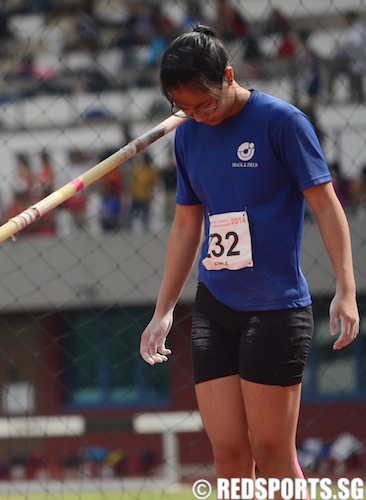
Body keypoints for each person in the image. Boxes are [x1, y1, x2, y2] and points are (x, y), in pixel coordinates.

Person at [139, 25, 360, 489]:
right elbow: (186, 226)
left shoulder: (281, 122)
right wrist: (163, 312)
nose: (199, 116)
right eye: (184, 109)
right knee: (231, 455)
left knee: (271, 453)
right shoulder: (188, 136)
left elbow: (326, 205)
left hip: (275, 309)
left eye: (206, 104)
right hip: (215, 306)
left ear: (229, 76)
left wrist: (346, 289)